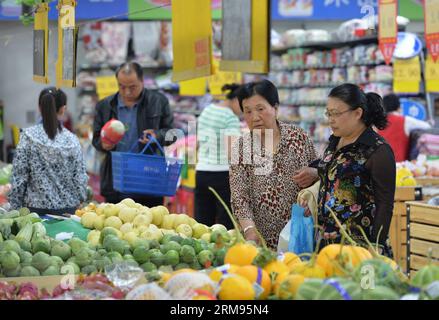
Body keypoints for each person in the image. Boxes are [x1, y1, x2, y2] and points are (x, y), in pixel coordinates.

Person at [306, 83, 395, 257]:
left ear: (357, 113)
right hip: (327, 242)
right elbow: (335, 170)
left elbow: (385, 204)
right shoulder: (335, 141)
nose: (331, 119)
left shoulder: (378, 150)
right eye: (328, 113)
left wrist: (376, 246)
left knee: (363, 285)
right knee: (331, 284)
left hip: (362, 246)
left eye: (336, 114)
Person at [229, 80, 318, 250]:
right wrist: (249, 230)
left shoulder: (298, 137)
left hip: (299, 233)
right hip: (260, 240)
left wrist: (314, 173)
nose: (254, 117)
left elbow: (320, 169)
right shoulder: (242, 148)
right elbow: (239, 197)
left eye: (260, 109)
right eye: (247, 111)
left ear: (275, 108)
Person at [92, 62, 174, 207]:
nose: (127, 92)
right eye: (122, 87)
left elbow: (173, 134)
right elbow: (96, 139)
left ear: (142, 81)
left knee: (150, 227)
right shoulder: (105, 106)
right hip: (116, 182)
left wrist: (157, 136)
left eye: (132, 87)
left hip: (149, 181)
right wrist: (103, 144)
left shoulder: (158, 101)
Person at [9, 87, 88, 215]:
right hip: (68, 211)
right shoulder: (72, 140)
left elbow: (19, 177)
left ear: (40, 107)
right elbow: (80, 178)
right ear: (63, 109)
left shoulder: (28, 136)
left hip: (35, 212)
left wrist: (14, 207)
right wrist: (81, 198)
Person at [195, 84, 242, 230]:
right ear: (236, 100)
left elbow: (198, 141)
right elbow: (232, 153)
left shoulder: (207, 110)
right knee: (224, 226)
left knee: (202, 224)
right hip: (222, 175)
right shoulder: (230, 117)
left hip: (202, 172)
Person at [378, 93, 431, 162]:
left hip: (378, 164)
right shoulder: (405, 120)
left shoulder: (376, 122)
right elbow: (427, 126)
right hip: (399, 166)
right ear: (399, 107)